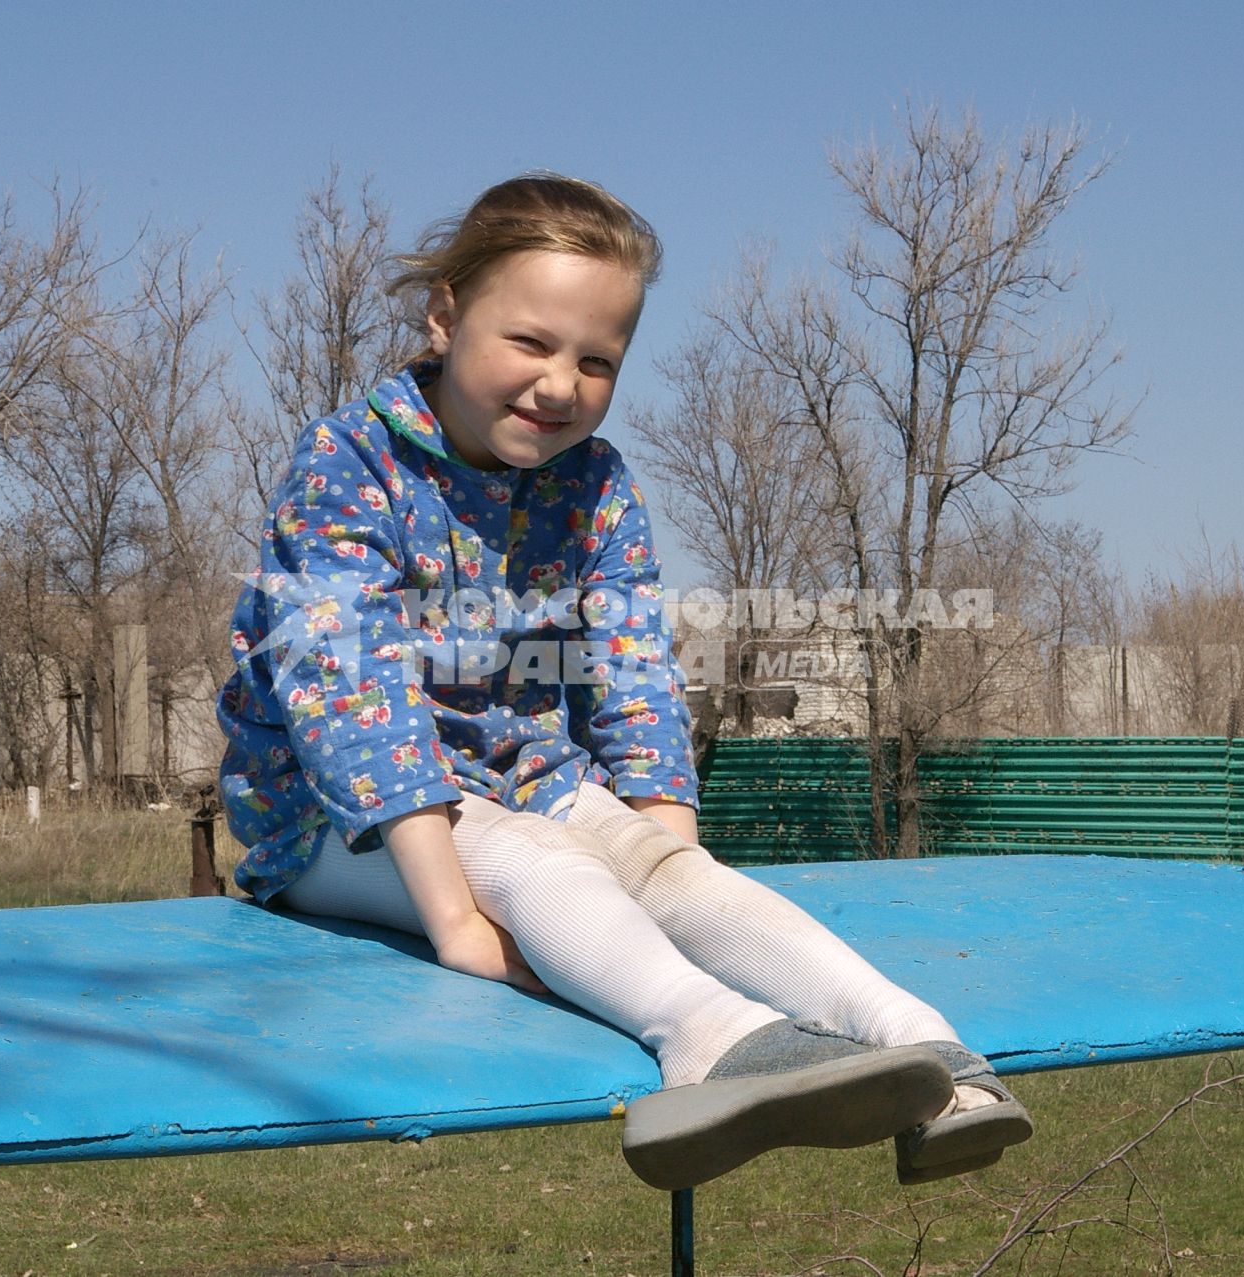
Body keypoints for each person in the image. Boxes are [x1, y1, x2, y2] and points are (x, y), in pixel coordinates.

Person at [218, 172, 1031, 1190]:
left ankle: (929, 1046)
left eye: (596, 360)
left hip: (521, 774)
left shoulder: (595, 485)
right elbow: (351, 698)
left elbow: (633, 673)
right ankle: (712, 1039)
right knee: (541, 869)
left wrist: (663, 861)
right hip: (334, 817)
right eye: (530, 342)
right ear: (443, 318)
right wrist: (458, 925)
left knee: (675, 874)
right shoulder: (350, 462)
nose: (561, 382)